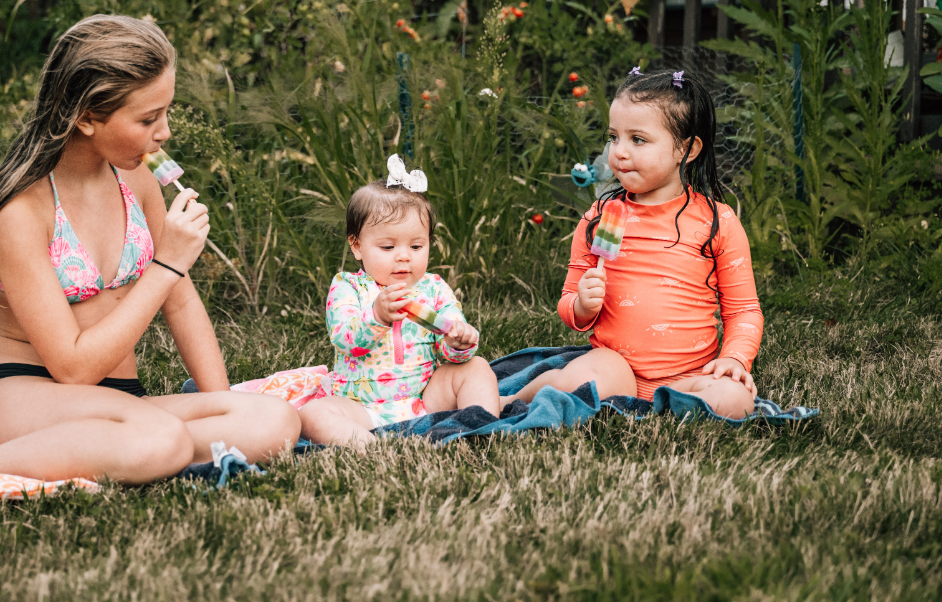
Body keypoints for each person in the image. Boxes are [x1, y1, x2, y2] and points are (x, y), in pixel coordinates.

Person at [0, 15, 299, 484]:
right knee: (160, 440)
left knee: (272, 421)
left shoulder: (137, 180)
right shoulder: (21, 211)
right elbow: (72, 367)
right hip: (29, 398)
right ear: (88, 117)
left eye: (166, 113)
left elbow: (181, 300)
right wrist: (167, 262)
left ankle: (135, 453)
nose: (166, 132)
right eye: (149, 119)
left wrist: (226, 405)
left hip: (120, 401)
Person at [504, 69, 763, 419]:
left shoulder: (718, 223)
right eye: (614, 137)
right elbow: (569, 305)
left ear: (686, 150)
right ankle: (512, 400)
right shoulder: (598, 218)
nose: (619, 152)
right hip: (615, 369)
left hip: (689, 375)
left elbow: (743, 310)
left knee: (735, 400)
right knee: (580, 378)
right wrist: (582, 305)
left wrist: (733, 359)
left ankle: (670, 402)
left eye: (637, 140)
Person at [299, 156, 500, 448]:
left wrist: (459, 342)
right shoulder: (348, 287)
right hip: (363, 408)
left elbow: (451, 352)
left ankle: (478, 429)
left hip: (425, 398)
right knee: (312, 414)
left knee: (477, 367)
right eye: (388, 246)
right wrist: (377, 316)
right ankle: (367, 447)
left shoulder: (433, 287)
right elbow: (345, 340)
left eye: (416, 246)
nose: (404, 256)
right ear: (357, 246)